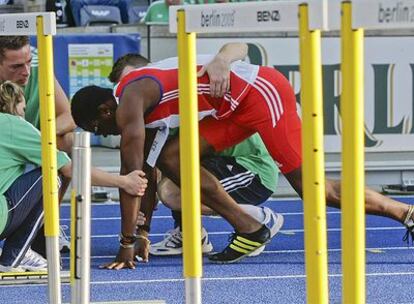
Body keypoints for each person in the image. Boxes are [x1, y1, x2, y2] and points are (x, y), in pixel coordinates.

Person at [71, 42, 414, 269]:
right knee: (172, 157)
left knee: (314, 190)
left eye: (99, 129)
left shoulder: (130, 102)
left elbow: (129, 176)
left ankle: (405, 211)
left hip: (262, 94)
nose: (105, 136)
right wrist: (140, 235)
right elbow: (142, 176)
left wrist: (126, 244)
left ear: (104, 110)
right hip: (231, 113)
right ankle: (249, 227)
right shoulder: (138, 107)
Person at [108, 53, 283, 257]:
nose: (130, 93)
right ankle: (191, 234)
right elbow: (144, 172)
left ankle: (256, 221)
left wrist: (132, 237)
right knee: (166, 166)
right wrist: (142, 232)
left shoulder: (183, 96)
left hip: (251, 170)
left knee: (171, 188)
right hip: (214, 163)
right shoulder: (151, 114)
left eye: (134, 81)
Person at [0, 80, 147, 272]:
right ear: (15, 103)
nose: (24, 114)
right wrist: (124, 182)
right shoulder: (14, 124)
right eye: (24, 108)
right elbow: (70, 169)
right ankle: (15, 254)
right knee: (52, 176)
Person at [0, 35, 77, 254]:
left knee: (67, 141)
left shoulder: (37, 70)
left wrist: (36, 139)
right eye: (16, 66)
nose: (26, 71)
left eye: (28, 61)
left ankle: (46, 223)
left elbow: (68, 116)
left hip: (32, 140)